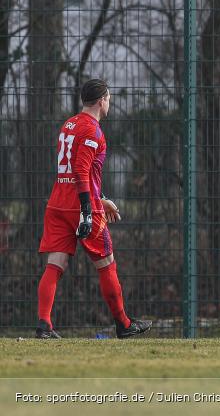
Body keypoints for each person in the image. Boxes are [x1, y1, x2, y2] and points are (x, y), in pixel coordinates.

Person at [35, 79, 152, 339]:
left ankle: (44, 325)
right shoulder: (93, 131)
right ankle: (123, 324)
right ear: (101, 100)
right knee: (106, 263)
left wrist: (102, 198)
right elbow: (81, 170)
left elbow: (78, 172)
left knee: (54, 264)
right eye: (109, 98)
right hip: (80, 207)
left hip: (58, 204)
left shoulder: (69, 124)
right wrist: (89, 210)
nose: (109, 103)